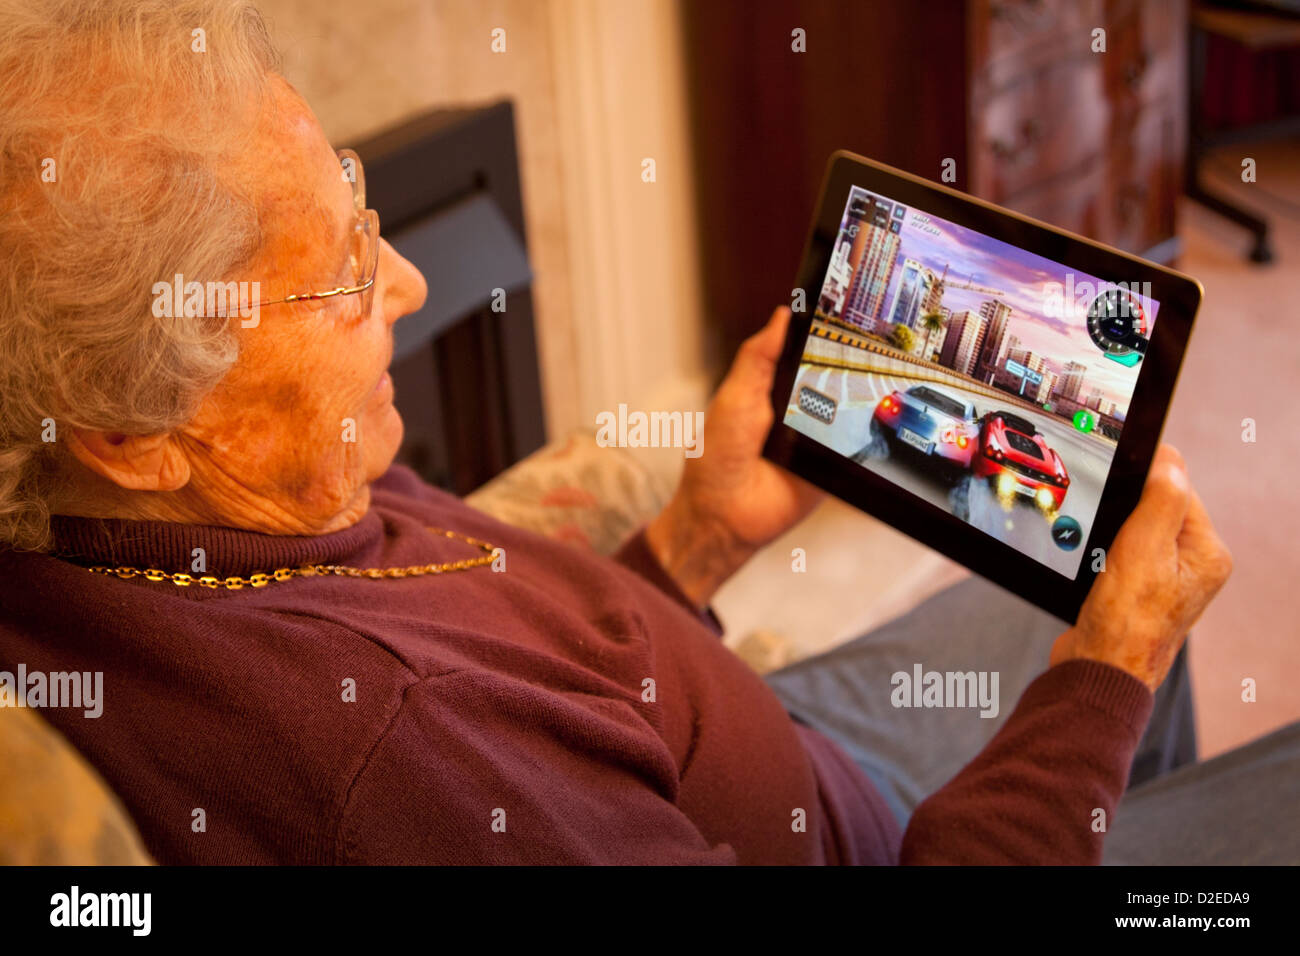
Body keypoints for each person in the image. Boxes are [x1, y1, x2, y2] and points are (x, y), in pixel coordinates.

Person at [0, 0, 1272, 865]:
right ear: (135, 432)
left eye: (361, 207)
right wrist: (1110, 667)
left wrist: (695, 540)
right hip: (863, 835)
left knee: (1064, 605)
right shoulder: (399, 762)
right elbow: (472, 720)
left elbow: (525, 682)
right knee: (1118, 630)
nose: (406, 282)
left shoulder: (175, 519)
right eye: (337, 269)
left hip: (732, 727)